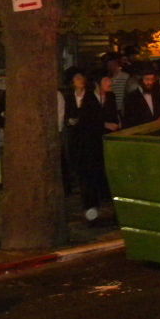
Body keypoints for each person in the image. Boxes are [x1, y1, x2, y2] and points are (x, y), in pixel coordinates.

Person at [62, 69, 105, 224]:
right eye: (77, 78)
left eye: (81, 77)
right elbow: (66, 115)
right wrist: (69, 122)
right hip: (76, 142)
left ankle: (92, 208)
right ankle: (87, 206)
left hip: (90, 143)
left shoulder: (90, 97)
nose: (80, 80)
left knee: (91, 176)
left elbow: (96, 118)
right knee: (81, 176)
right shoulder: (69, 98)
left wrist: (81, 121)